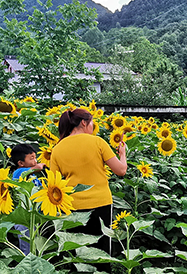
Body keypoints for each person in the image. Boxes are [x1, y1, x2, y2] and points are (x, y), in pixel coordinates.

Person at [50, 108, 127, 253]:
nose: (93, 126)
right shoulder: (97, 142)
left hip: (72, 206)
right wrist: (122, 154)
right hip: (100, 203)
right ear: (84, 123)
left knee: (78, 250)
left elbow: (53, 183)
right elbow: (121, 170)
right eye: (92, 123)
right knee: (101, 251)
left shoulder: (57, 149)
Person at [9, 143, 45, 254]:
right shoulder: (18, 172)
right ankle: (27, 264)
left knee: (36, 243)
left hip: (35, 215)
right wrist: (37, 167)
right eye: (32, 158)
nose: (35, 161)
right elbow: (26, 172)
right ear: (20, 163)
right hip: (24, 216)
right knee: (27, 246)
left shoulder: (33, 177)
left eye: (35, 158)